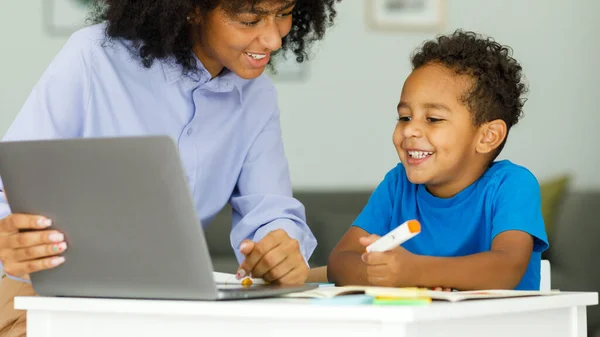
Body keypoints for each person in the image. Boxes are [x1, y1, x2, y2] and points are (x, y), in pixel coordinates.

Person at [0, 0, 339, 333]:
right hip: (44, 295)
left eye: (284, 14)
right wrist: (8, 238)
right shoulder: (93, 56)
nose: (273, 39)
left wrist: (281, 246)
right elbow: (10, 179)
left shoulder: (257, 96)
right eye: (250, 19)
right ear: (193, 8)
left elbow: (269, 209)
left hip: (165, 307)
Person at [327, 30, 549, 291]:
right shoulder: (398, 185)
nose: (410, 130)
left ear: (488, 136)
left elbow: (506, 268)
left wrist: (414, 272)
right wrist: (390, 273)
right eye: (405, 117)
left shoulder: (512, 185)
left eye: (433, 119)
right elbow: (338, 263)